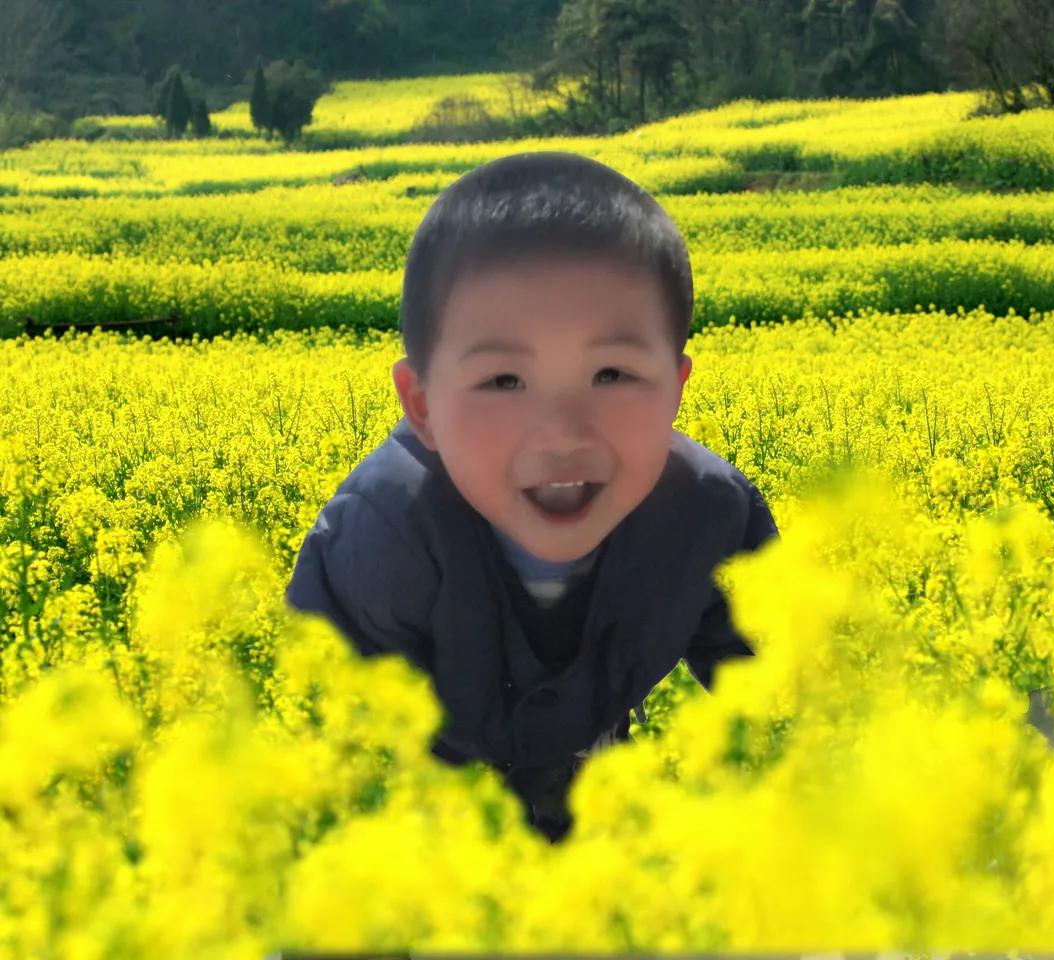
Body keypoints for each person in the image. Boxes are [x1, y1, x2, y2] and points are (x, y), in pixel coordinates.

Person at [284, 151, 779, 843]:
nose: (561, 434)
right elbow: (319, 755)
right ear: (421, 406)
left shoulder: (712, 518)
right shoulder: (379, 540)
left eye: (611, 374)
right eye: (504, 382)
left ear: (676, 389)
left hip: (595, 797)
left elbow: (781, 697)